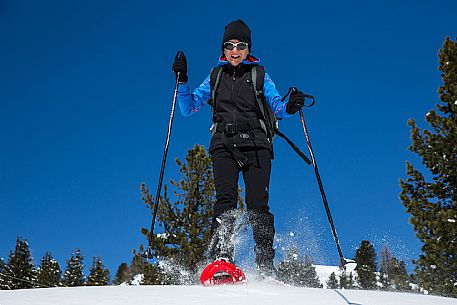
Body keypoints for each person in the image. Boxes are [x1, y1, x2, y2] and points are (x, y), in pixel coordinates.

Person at [172, 19, 305, 277]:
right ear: (223, 48)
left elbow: (278, 107)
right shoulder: (215, 76)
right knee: (226, 199)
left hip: (256, 144)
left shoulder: (259, 75)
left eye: (240, 45)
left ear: (248, 48)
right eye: (229, 45)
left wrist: (291, 107)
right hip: (223, 144)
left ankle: (265, 264)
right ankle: (222, 256)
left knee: (257, 204)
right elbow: (187, 108)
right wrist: (182, 81)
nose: (235, 50)